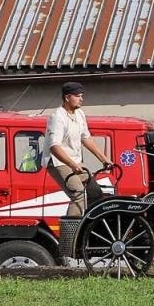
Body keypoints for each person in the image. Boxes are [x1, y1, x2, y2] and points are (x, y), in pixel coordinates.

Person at [45, 81, 112, 218]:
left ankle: (92, 224)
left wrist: (104, 159)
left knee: (95, 192)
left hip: (74, 161)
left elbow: (86, 138)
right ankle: (72, 229)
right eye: (77, 96)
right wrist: (72, 164)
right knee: (78, 193)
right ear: (67, 97)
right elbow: (54, 147)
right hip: (58, 162)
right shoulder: (57, 117)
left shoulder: (80, 114)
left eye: (82, 96)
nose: (81, 99)